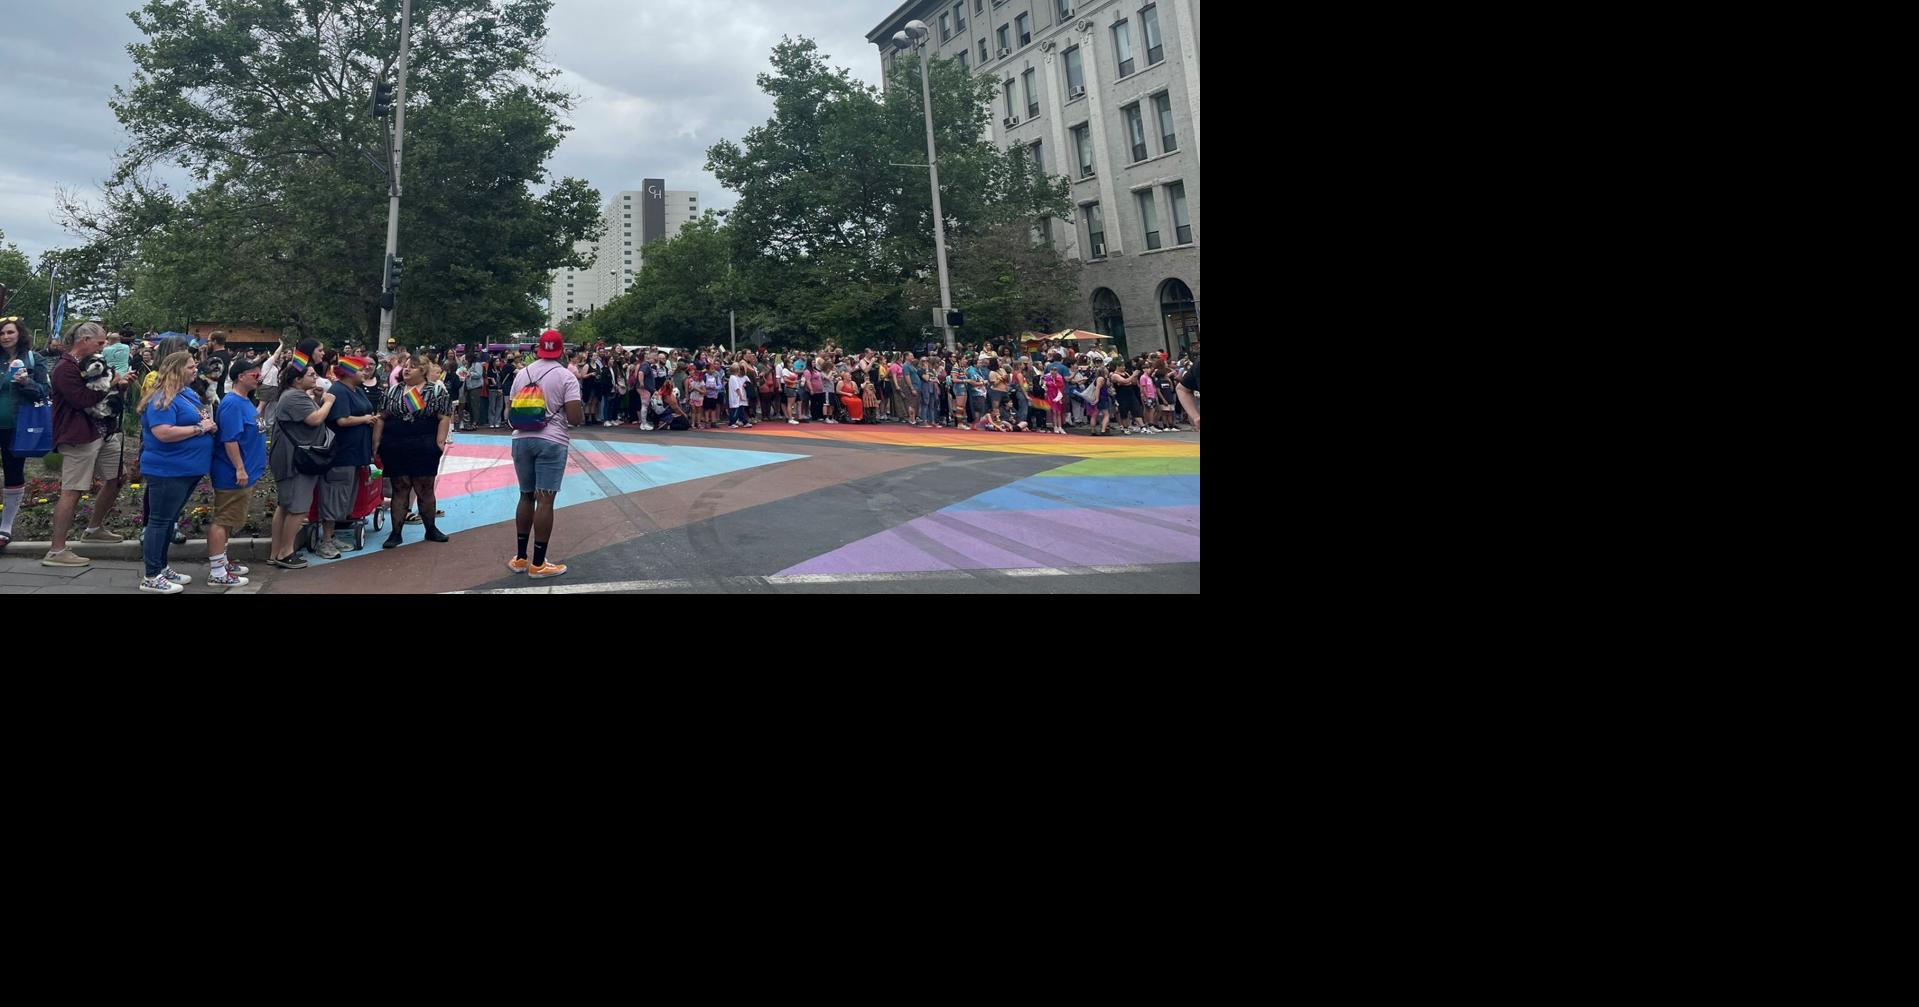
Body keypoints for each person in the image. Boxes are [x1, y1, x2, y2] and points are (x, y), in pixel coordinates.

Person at [42, 322, 134, 568]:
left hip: (103, 431)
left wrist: (119, 385)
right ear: (84, 340)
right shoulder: (65, 368)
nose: (104, 347)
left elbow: (101, 391)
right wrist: (111, 384)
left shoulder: (89, 363)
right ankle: (56, 550)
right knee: (72, 489)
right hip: (78, 435)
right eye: (100, 342)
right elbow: (81, 399)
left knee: (117, 477)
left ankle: (94, 529)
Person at [135, 351, 217, 593]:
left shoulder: (186, 393)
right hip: (167, 469)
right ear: (176, 370)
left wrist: (209, 425)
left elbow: (202, 415)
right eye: (191, 367)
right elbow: (163, 432)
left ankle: (162, 566)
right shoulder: (161, 398)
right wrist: (199, 429)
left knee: (169, 520)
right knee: (159, 521)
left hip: (187, 468)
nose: (195, 370)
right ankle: (151, 575)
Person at [505, 330, 582, 579]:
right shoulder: (566, 376)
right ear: (561, 351)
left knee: (525, 496)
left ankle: (520, 557)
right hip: (551, 440)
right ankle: (538, 563)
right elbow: (574, 418)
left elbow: (509, 410)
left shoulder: (522, 374)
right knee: (545, 500)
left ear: (539, 348)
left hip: (521, 439)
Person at [372, 356, 452, 548]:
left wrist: (440, 442)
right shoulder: (393, 390)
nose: (407, 370)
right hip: (395, 444)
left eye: (413, 367)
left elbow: (444, 416)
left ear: (423, 371)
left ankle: (431, 529)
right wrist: (377, 442)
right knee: (400, 487)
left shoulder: (435, 391)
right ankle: (396, 533)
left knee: (425, 488)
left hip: (424, 444)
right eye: (406, 366)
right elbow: (381, 417)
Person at [266, 352, 334, 569]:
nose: (316, 378)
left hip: (289, 457)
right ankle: (286, 552)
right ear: (297, 379)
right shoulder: (294, 397)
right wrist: (328, 402)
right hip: (295, 460)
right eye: (311, 375)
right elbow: (314, 419)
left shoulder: (292, 395)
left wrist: (316, 399)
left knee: (285, 506)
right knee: (298, 507)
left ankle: (276, 552)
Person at [206, 355, 266, 588]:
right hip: (232, 473)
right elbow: (230, 439)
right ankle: (217, 571)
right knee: (223, 519)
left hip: (246, 471)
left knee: (230, 520)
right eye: (255, 374)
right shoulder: (232, 403)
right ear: (241, 377)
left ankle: (223, 561)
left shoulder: (245, 401)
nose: (258, 378)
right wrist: (240, 468)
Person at [315, 355, 377, 557]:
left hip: (355, 453)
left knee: (345, 495)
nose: (365, 372)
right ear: (349, 372)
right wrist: (365, 419)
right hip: (341, 454)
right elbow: (342, 420)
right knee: (334, 494)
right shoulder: (339, 391)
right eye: (360, 369)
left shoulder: (357, 390)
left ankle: (332, 536)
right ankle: (325, 540)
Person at [0, 316, 52, 553]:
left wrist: (26, 382)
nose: (5, 337)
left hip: (17, 426)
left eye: (10, 332)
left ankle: (6, 527)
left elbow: (45, 392)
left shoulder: (33, 359)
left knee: (13, 472)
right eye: (2, 333)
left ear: (19, 334)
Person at [727, 363, 751, 428]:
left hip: (735, 397)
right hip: (735, 397)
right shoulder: (734, 378)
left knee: (740, 410)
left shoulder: (732, 377)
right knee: (734, 411)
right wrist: (741, 396)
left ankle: (744, 422)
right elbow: (737, 389)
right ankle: (732, 423)